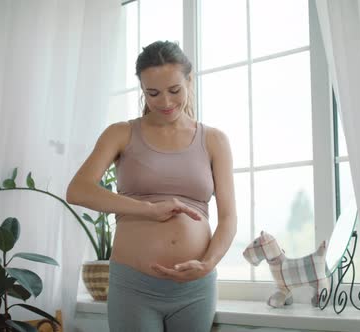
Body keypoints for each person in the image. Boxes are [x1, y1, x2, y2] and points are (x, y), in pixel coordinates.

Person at [66, 40, 237, 332]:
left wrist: (208, 263)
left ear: (189, 81)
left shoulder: (214, 140)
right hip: (134, 287)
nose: (166, 103)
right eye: (153, 93)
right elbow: (78, 190)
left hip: (195, 289)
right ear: (142, 89)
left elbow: (229, 217)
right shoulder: (121, 133)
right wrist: (147, 209)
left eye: (174, 91)